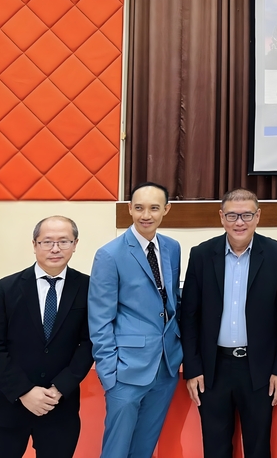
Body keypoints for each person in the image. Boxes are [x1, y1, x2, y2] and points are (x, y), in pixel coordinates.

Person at [180, 188, 277, 458]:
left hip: (258, 370)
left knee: (258, 447)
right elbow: (190, 315)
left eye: (246, 215)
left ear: (258, 217)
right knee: (215, 447)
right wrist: (193, 368)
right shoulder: (201, 254)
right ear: (221, 217)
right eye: (232, 215)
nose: (239, 222)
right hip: (212, 370)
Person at [0, 216, 92, 458]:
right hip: (8, 407)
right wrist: (24, 391)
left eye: (63, 241)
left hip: (59, 407)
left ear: (75, 243)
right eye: (47, 241)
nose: (55, 248)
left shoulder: (88, 288)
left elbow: (90, 343)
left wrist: (60, 389)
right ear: (34, 244)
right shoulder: (6, 288)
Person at [88, 182, 182, 458]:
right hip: (126, 371)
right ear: (129, 209)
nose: (146, 215)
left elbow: (170, 300)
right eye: (139, 208)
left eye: (154, 208)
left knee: (144, 448)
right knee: (116, 451)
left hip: (165, 367)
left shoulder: (172, 248)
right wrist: (109, 374)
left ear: (166, 210)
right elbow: (100, 319)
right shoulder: (110, 254)